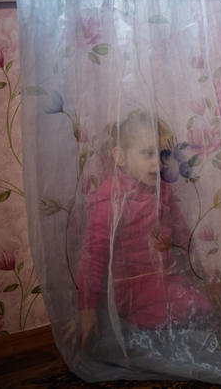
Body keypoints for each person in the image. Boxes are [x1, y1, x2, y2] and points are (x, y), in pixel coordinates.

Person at [75, 110, 210, 345]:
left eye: (161, 154)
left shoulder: (161, 188)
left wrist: (191, 256)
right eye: (147, 154)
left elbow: (178, 224)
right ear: (121, 157)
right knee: (180, 312)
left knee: (201, 306)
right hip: (131, 286)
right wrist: (86, 307)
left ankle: (155, 327)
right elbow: (93, 253)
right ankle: (135, 331)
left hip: (163, 276)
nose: (156, 163)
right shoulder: (110, 198)